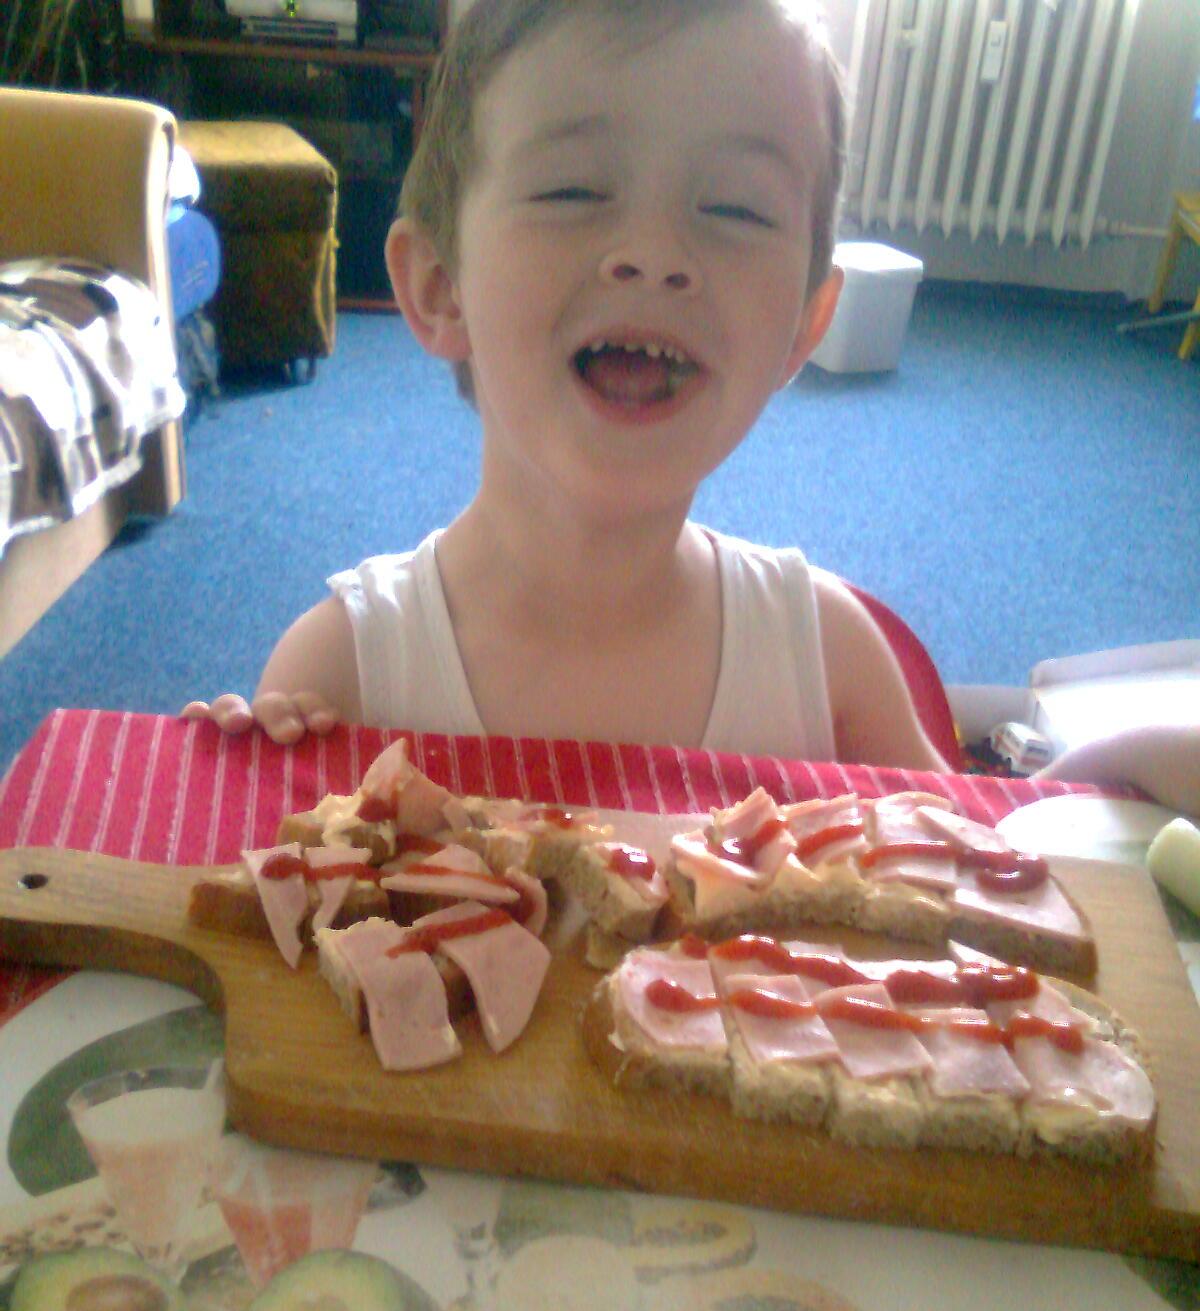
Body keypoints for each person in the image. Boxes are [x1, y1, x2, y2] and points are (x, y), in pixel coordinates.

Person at [182, 0, 1199, 815]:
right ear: (441, 287)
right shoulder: (348, 670)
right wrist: (238, 792)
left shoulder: (831, 663)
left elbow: (981, 867)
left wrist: (1113, 768)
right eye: (575, 189)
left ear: (804, 325)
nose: (655, 254)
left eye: (734, 207)